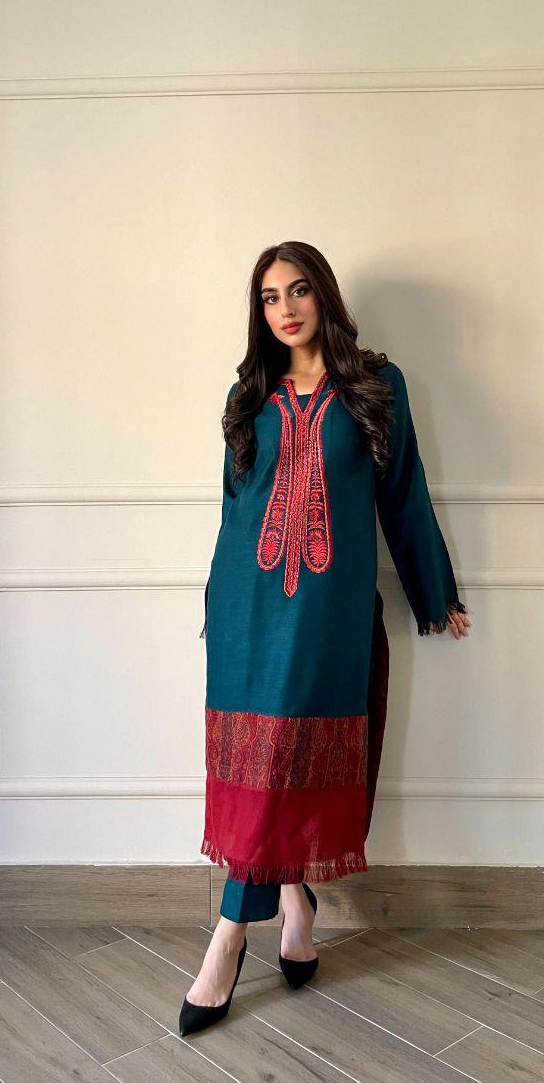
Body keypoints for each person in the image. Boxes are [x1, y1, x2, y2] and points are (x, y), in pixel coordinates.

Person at [179, 241, 471, 1035]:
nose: (286, 309)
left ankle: (238, 930)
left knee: (290, 761)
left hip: (327, 617)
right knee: (257, 769)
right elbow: (234, 508)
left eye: (299, 290)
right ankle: (277, 911)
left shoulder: (376, 384)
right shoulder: (250, 395)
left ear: (325, 296)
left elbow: (403, 491)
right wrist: (215, 603)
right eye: (270, 297)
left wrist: (434, 593)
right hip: (245, 614)